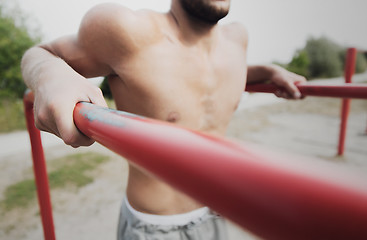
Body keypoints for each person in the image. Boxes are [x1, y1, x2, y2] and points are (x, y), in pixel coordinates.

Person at [21, 0, 306, 239]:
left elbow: (211, 71)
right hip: (156, 227)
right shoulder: (125, 29)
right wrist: (50, 76)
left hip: (217, 213)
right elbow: (41, 53)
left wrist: (269, 70)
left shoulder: (237, 39)